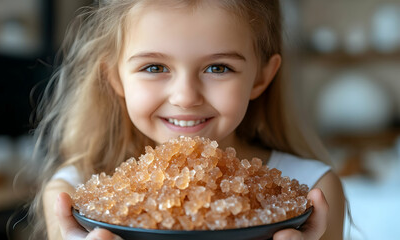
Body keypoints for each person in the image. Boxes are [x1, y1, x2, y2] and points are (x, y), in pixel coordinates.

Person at [29, 0, 345, 239]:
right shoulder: (75, 195)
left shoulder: (312, 192)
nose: (185, 96)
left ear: (262, 77)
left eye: (218, 68)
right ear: (114, 77)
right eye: (154, 67)